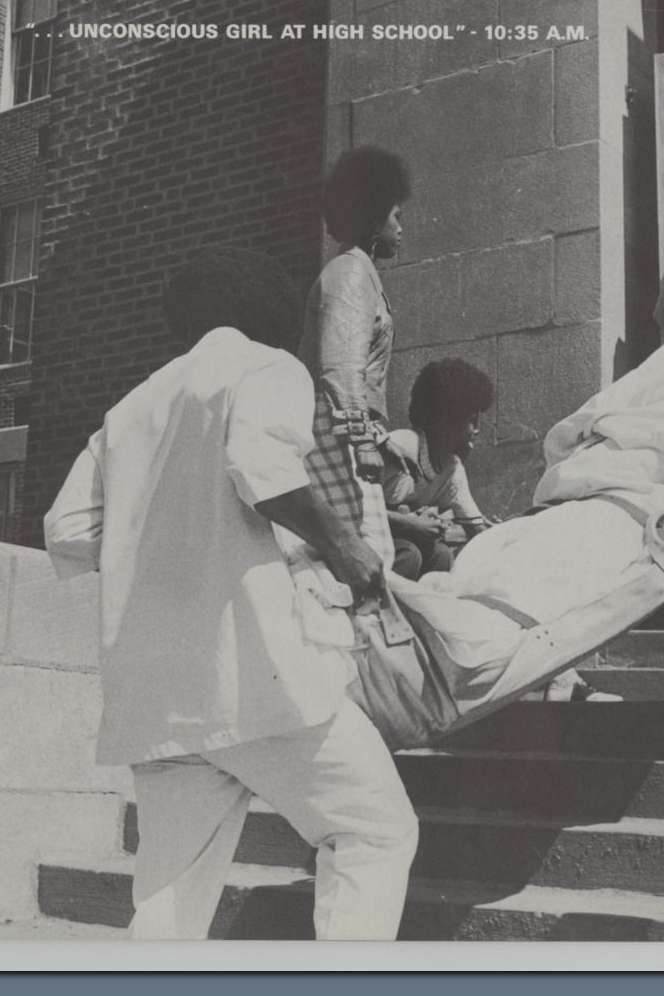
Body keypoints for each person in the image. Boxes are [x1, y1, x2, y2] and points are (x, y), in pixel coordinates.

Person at [42, 247, 420, 941]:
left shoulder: (128, 408)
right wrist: (348, 550)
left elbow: (66, 529)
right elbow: (263, 469)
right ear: (261, 310)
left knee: (169, 898)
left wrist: (161, 542)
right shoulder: (267, 367)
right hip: (253, 673)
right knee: (374, 831)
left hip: (156, 695)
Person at [300, 147, 411, 570]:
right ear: (372, 216)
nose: (401, 228)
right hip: (334, 436)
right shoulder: (349, 272)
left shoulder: (360, 271)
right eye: (396, 216)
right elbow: (341, 365)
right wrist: (363, 440)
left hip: (345, 433)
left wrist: (378, 439)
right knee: (360, 558)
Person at [383, 357, 494, 580]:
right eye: (471, 421)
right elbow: (354, 505)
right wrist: (407, 523)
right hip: (367, 536)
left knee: (441, 555)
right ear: (444, 421)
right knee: (409, 555)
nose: (476, 430)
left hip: (396, 541)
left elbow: (477, 531)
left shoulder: (451, 468)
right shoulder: (400, 446)